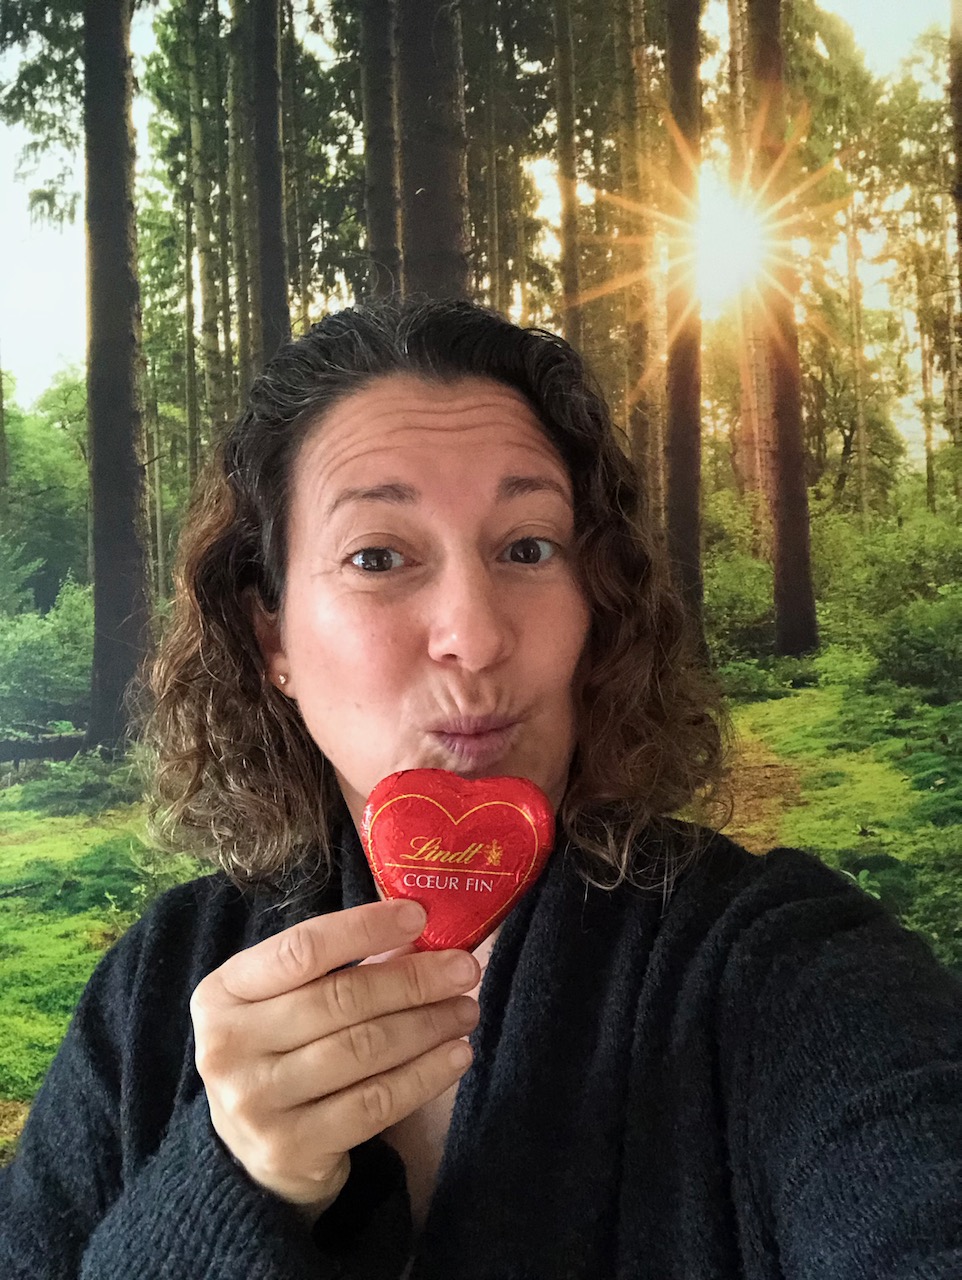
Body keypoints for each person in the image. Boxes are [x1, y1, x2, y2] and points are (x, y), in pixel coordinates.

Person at [1, 297, 960, 1280]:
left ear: (595, 600)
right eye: (378, 556)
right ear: (271, 635)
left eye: (527, 548)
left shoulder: (789, 964)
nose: (475, 633)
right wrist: (226, 1180)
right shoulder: (155, 989)